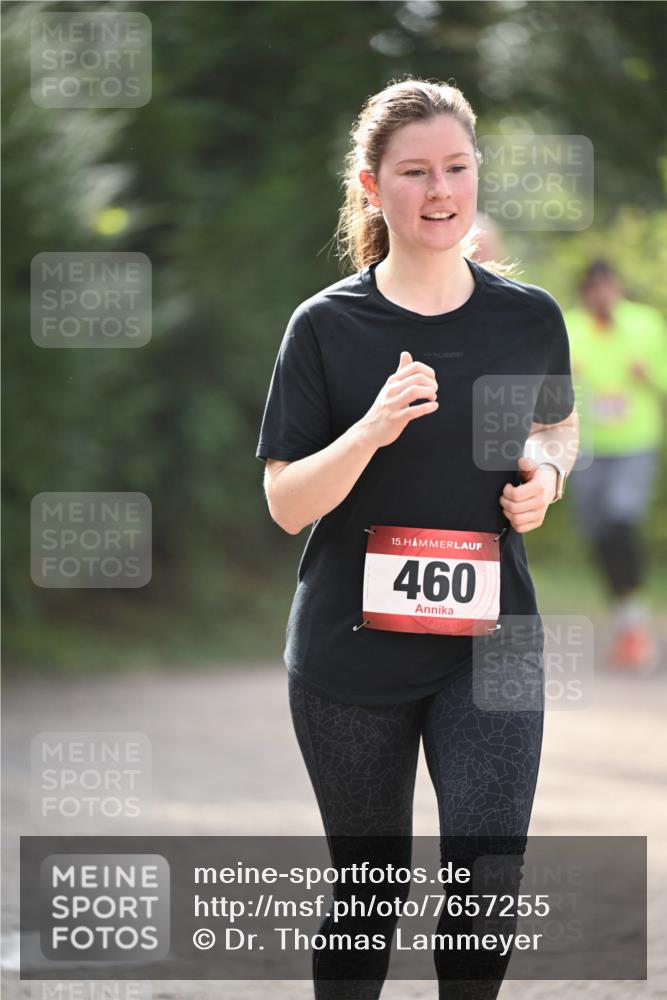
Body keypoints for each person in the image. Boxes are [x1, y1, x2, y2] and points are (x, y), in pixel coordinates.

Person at [256, 79, 578, 999]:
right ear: (370, 186)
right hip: (349, 653)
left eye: (455, 168)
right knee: (370, 895)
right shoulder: (325, 327)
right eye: (414, 173)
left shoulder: (527, 316)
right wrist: (369, 430)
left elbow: (555, 426)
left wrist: (545, 479)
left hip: (490, 643)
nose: (440, 191)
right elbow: (284, 503)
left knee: (485, 883)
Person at [565, 260, 667, 672]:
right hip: (587, 447)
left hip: (634, 444)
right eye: (594, 289)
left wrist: (647, 376)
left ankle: (635, 627)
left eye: (608, 287)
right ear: (585, 293)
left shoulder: (645, 324)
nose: (602, 295)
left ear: (618, 287)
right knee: (598, 532)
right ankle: (630, 621)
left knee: (620, 517)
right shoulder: (568, 328)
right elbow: (549, 389)